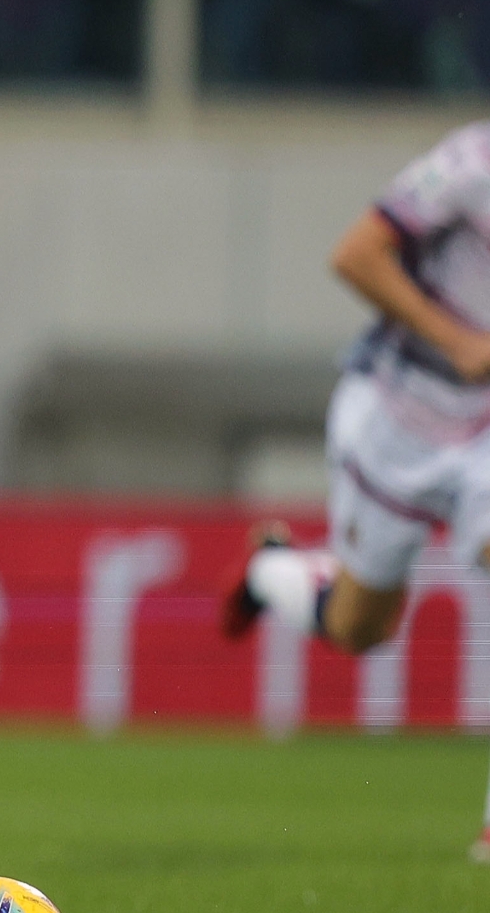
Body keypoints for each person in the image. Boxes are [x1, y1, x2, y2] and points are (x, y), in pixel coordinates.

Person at [219, 120, 490, 857]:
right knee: (360, 627)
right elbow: (356, 255)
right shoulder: (470, 165)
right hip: (400, 418)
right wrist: (459, 340)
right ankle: (269, 569)